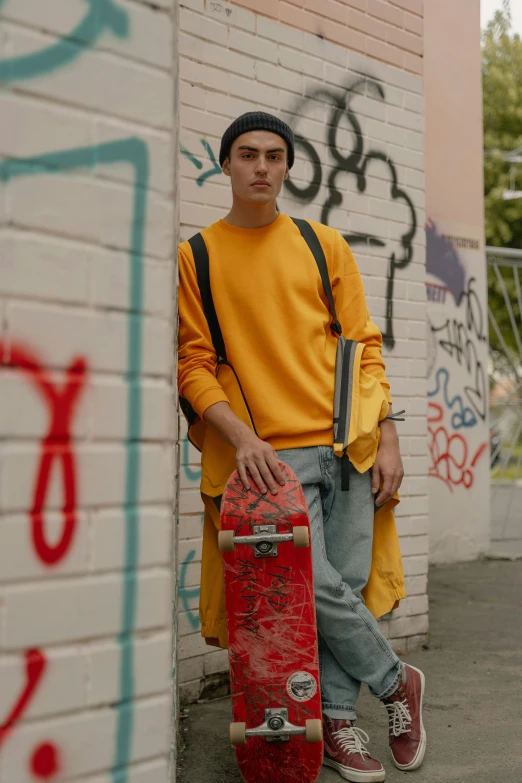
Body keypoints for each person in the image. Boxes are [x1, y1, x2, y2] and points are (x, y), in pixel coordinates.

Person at [178, 112, 426, 782]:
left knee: (340, 587)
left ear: (288, 167)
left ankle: (340, 726)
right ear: (226, 164)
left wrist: (391, 433)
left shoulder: (323, 245)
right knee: (306, 585)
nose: (262, 166)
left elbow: (363, 348)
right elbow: (194, 365)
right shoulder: (197, 255)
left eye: (275, 155)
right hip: (266, 460)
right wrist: (242, 437)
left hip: (349, 444)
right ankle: (397, 680)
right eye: (248, 154)